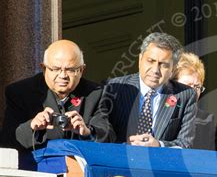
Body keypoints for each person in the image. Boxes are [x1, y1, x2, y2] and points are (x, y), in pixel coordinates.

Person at [0, 39, 114, 169]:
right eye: (55, 69)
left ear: (82, 70)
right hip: (36, 170)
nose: (63, 75)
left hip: (80, 174)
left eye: (71, 70)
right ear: (43, 68)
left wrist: (87, 132)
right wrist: (32, 126)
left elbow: (109, 136)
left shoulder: (96, 93)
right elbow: (7, 142)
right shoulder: (21, 92)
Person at [101, 32, 197, 148]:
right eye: (150, 61)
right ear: (140, 59)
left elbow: (185, 143)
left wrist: (159, 145)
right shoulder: (113, 88)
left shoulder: (185, 95)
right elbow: (101, 136)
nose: (155, 70)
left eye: (163, 65)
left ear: (173, 68)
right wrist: (125, 146)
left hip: (160, 163)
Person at [172, 52, 214, 150]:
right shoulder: (158, 112)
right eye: (187, 86)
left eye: (197, 87)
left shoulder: (207, 120)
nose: (193, 92)